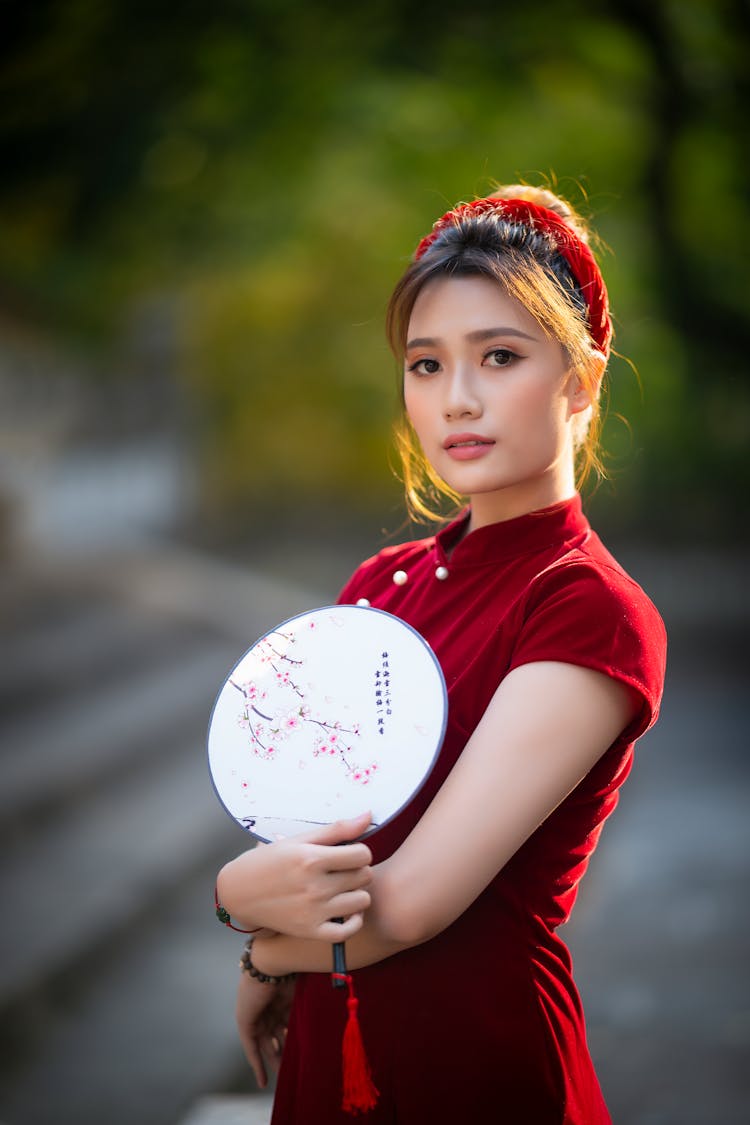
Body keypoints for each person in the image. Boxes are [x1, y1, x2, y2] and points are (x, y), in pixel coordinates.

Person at [215, 184, 667, 1124]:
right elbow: (310, 841)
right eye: (426, 364)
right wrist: (276, 917)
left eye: (499, 357)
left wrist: (247, 923)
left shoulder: (583, 605)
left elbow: (402, 906)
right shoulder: (378, 586)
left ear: (579, 381)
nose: (456, 398)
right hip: (333, 1046)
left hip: (477, 1061)